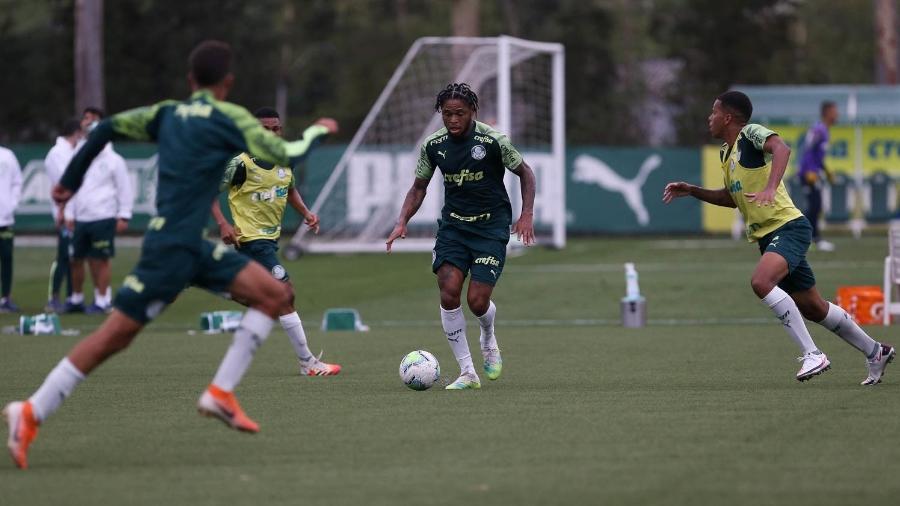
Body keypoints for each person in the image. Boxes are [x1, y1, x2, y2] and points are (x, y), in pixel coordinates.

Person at [2, 40, 326, 470]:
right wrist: (318, 131)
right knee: (113, 336)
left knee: (276, 295)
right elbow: (288, 152)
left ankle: (220, 393)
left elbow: (102, 130)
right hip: (173, 248)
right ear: (227, 82)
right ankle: (29, 411)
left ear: (191, 81)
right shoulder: (229, 117)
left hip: (188, 244)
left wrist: (70, 181)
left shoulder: (165, 113)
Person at [662, 90, 894, 384]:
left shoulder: (750, 134)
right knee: (813, 307)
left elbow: (782, 148)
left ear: (728, 117)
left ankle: (813, 354)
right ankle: (876, 351)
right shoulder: (726, 152)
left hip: (788, 227)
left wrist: (772, 186)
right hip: (768, 236)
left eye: (713, 112)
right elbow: (731, 198)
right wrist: (693, 190)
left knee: (761, 282)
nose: (710, 118)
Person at [386, 83, 536, 390]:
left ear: (472, 112)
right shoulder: (433, 145)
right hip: (454, 227)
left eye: (459, 113)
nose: (453, 120)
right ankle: (468, 372)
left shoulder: (493, 141)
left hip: (491, 226)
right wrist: (402, 221)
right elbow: (419, 188)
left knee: (478, 302)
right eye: (447, 114)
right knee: (448, 289)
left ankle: (488, 337)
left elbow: (526, 173)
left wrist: (527, 214)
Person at [211, 106, 341, 377]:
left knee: (265, 298)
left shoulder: (284, 160)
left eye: (275, 129)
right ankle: (307, 363)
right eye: (264, 129)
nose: (271, 134)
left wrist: (306, 213)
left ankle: (214, 281)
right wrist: (223, 224)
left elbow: (289, 188)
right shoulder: (241, 164)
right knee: (285, 293)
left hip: (269, 241)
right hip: (251, 241)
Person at [63, 108, 134, 314]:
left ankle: (102, 300)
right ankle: (76, 299)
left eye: (94, 119)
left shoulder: (114, 160)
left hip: (103, 216)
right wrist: (68, 212)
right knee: (75, 259)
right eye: (86, 118)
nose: (89, 122)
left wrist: (124, 215)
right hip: (80, 216)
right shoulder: (78, 154)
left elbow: (124, 189)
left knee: (99, 259)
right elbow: (71, 185)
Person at [43, 118, 84, 313]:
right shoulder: (57, 153)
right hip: (63, 212)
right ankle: (53, 297)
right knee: (62, 255)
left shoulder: (72, 151)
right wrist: (66, 213)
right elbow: (65, 184)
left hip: (76, 213)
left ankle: (71, 296)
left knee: (73, 256)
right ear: (75, 133)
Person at [797, 100, 838, 252]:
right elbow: (807, 150)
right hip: (808, 174)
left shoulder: (826, 131)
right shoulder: (818, 130)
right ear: (827, 113)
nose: (837, 114)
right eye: (835, 111)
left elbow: (817, 158)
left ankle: (812, 237)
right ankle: (808, 237)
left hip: (814, 173)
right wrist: (808, 171)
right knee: (814, 205)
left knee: (816, 205)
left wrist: (826, 172)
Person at [0, 144, 23, 313]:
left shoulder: (7, 156)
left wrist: (11, 205)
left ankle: (6, 298)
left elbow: (17, 182)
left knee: (6, 258)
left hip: (4, 218)